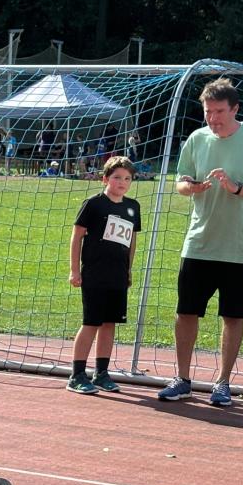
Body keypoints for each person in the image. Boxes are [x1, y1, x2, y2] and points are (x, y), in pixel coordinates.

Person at [159, 78, 243, 406]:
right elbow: (181, 180)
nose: (213, 118)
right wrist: (191, 187)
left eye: (219, 111)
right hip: (199, 242)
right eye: (207, 111)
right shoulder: (196, 139)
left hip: (240, 246)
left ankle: (223, 382)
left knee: (233, 316)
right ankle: (182, 378)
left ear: (235, 109)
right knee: (186, 311)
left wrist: (237, 188)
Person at [65, 156, 142, 395]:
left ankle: (101, 373)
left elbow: (132, 241)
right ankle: (77, 374)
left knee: (110, 323)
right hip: (95, 273)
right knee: (91, 322)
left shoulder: (133, 207)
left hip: (117, 275)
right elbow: (77, 236)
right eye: (117, 177)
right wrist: (74, 270)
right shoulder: (94, 204)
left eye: (127, 178)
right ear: (105, 178)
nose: (122, 182)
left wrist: (128, 269)